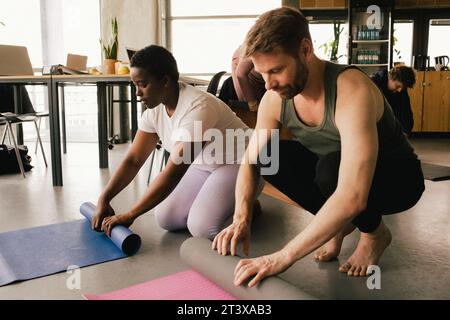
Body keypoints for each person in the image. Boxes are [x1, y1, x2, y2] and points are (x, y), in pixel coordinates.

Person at [212, 7, 425, 287]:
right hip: (339, 173)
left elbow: (353, 196)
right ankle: (339, 224)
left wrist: (282, 256)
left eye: (276, 70)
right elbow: (250, 162)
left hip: (399, 179)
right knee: (267, 155)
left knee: (329, 170)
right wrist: (241, 217)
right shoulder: (274, 98)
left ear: (305, 49)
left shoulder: (351, 90)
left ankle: (374, 234)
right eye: (262, 73)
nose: (268, 84)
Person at [92, 45, 263, 240]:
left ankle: (249, 204)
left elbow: (173, 173)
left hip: (242, 163)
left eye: (142, 84)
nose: (137, 93)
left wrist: (131, 214)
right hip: (205, 164)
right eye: (134, 85)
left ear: (165, 81)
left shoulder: (198, 108)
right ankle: (229, 202)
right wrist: (104, 198)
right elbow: (134, 159)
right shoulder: (154, 112)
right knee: (166, 218)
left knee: (202, 228)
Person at [371, 65, 416, 135]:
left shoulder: (401, 90)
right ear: (390, 77)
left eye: (403, 88)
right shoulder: (374, 84)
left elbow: (407, 114)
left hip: (393, 131)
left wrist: (406, 132)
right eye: (398, 86)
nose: (399, 90)